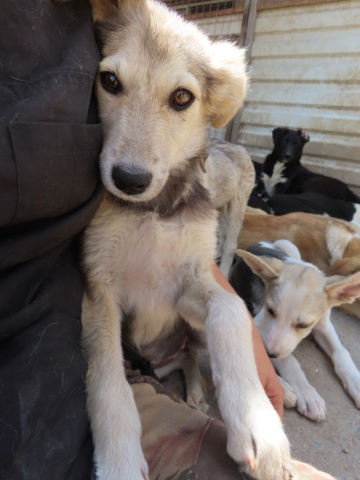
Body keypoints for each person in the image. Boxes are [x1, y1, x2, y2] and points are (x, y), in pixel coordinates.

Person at [0, 1, 335, 479]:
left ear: (209, 104)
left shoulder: (195, 193)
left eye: (179, 98)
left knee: (222, 305)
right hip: (65, 361)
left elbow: (195, 281)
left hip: (161, 337)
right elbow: (100, 294)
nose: (134, 158)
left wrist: (233, 334)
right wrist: (113, 421)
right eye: (113, 83)